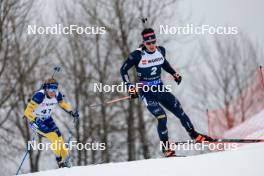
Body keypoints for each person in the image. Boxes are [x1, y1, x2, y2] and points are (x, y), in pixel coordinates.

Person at [120, 28, 212, 157]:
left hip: (160, 88)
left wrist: (174, 73)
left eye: (153, 42)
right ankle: (166, 148)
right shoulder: (137, 55)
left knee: (179, 109)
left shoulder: (161, 50)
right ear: (144, 43)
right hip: (146, 92)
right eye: (148, 43)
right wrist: (129, 86)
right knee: (162, 116)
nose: (152, 45)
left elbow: (164, 63)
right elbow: (123, 70)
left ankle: (194, 135)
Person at [23, 78, 79, 167]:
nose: (53, 92)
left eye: (55, 89)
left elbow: (62, 104)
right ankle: (60, 162)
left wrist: (72, 112)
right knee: (53, 136)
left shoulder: (57, 94)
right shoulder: (39, 96)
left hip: (47, 119)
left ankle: (67, 162)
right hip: (36, 121)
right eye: (51, 89)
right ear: (46, 88)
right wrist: (34, 119)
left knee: (60, 139)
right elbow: (27, 112)